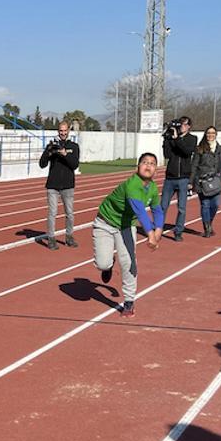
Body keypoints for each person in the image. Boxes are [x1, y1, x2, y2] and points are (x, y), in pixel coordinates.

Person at [92, 152, 164, 318]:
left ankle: (129, 301)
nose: (148, 165)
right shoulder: (132, 185)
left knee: (129, 262)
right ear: (137, 167)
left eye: (152, 163)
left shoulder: (152, 188)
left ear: (156, 171)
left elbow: (157, 210)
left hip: (126, 226)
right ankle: (109, 265)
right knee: (102, 264)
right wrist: (151, 235)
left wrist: (159, 229)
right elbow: (140, 212)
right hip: (105, 223)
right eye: (144, 162)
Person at [38, 120, 80, 250]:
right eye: (60, 131)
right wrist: (48, 151)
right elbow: (42, 164)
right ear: (58, 131)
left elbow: (75, 165)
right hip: (53, 185)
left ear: (68, 131)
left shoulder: (74, 146)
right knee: (52, 213)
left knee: (70, 213)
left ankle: (69, 237)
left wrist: (65, 154)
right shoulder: (53, 145)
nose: (63, 133)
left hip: (68, 185)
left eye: (65, 130)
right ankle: (51, 239)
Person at [160, 116, 197, 241]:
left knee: (181, 208)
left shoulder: (192, 139)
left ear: (189, 126)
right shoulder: (171, 137)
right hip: (170, 177)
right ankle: (158, 229)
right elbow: (167, 155)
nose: (181, 126)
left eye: (184, 124)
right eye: (180, 124)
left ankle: (178, 232)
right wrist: (166, 139)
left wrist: (177, 139)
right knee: (163, 206)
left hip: (183, 178)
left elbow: (186, 152)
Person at [189, 125, 221, 238]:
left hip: (215, 181)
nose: (210, 135)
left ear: (216, 135)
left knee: (215, 204)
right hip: (202, 181)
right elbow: (194, 165)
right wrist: (191, 181)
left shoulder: (219, 149)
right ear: (205, 135)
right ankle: (207, 228)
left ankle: (209, 222)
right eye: (208, 133)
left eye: (213, 133)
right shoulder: (199, 148)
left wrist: (220, 177)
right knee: (205, 204)